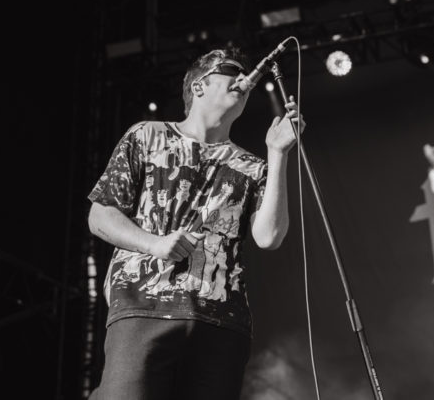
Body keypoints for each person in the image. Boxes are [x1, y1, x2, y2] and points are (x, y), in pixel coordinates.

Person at [87, 46, 305, 400]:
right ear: (198, 86)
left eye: (244, 73)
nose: (243, 78)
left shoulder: (253, 167)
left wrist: (278, 153)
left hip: (221, 322)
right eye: (230, 70)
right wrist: (155, 244)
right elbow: (100, 215)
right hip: (144, 307)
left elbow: (269, 236)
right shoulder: (147, 135)